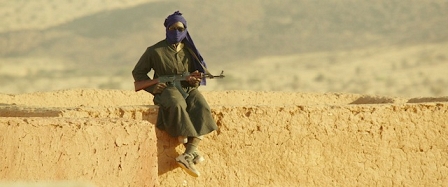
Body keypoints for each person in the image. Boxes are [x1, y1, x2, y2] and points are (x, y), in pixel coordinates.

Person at [131, 11, 218, 177]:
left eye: (180, 28)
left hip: (187, 88)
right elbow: (138, 74)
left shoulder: (190, 52)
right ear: (167, 29)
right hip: (167, 89)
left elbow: (195, 74)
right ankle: (190, 150)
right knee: (176, 103)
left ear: (185, 29)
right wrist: (153, 87)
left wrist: (194, 81)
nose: (176, 32)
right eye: (172, 28)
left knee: (201, 105)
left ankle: (189, 152)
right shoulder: (154, 51)